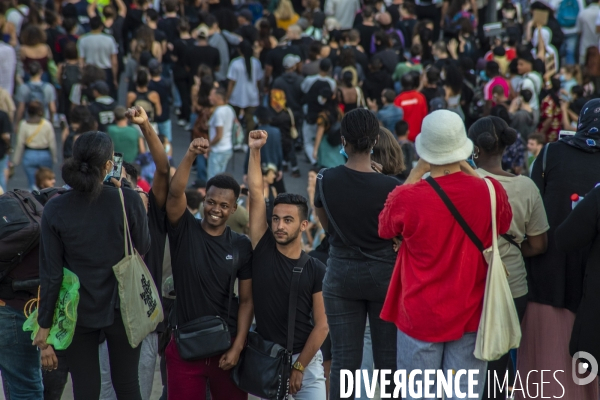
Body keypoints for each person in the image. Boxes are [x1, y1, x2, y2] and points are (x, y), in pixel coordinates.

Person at [379, 110, 513, 400]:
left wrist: (416, 171)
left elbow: (385, 226)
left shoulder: (409, 197)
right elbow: (501, 225)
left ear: (425, 150)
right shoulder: (490, 192)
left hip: (420, 312)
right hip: (471, 311)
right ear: (462, 147)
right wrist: (468, 168)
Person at [34, 131, 151, 400]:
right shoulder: (128, 200)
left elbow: (51, 274)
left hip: (78, 311)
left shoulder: (55, 208)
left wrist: (45, 323)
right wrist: (124, 193)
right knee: (127, 384)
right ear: (109, 166)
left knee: (85, 389)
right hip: (121, 307)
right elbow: (143, 246)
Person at [517, 98, 600, 400]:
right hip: (593, 281)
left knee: (546, 368)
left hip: (549, 275)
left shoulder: (552, 153)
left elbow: (532, 211)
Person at [313, 108, 399, 399]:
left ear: (343, 141)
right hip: (384, 275)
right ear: (374, 141)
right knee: (389, 363)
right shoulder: (391, 187)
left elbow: (326, 224)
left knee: (344, 363)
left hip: (340, 274)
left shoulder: (325, 179)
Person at [467, 116, 549, 400]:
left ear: (475, 148)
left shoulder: (463, 183)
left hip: (469, 285)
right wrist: (511, 251)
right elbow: (539, 244)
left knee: (464, 362)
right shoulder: (526, 187)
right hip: (511, 287)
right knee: (498, 367)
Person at [165, 137, 253, 400]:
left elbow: (248, 301)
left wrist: (238, 348)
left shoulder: (241, 245)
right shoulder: (185, 229)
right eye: (212, 202)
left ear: (234, 209)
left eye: (224, 205)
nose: (216, 209)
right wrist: (191, 153)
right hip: (184, 348)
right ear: (204, 199)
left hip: (226, 350)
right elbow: (174, 193)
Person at [247, 129, 328, 399]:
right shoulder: (263, 248)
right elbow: (256, 194)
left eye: (288, 220)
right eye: (276, 219)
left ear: (304, 225)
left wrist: (299, 366)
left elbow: (323, 325)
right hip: (266, 359)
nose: (280, 226)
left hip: (306, 363)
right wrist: (255, 150)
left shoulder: (315, 268)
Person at [13, 101, 57, 190]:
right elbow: (52, 143)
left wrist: (15, 160)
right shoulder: (47, 124)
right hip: (45, 153)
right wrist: (54, 157)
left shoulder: (24, 124)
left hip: (29, 154)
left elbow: (20, 144)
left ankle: (33, 201)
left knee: (32, 183)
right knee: (46, 181)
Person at [227, 40, 263, 139]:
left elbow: (231, 82)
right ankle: (248, 140)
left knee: (234, 118)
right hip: (252, 94)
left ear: (239, 50)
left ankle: (234, 138)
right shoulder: (256, 63)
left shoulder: (235, 63)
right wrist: (259, 93)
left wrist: (227, 96)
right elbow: (258, 81)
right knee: (250, 120)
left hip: (236, 94)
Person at [77, 16, 119, 97]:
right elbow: (114, 61)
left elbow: (81, 61)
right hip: (106, 72)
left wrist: (82, 76)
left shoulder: (82, 40)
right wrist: (114, 78)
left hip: (90, 72)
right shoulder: (109, 39)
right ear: (101, 26)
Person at [312, 87, 345, 168]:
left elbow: (319, 133)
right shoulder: (338, 111)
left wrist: (315, 150)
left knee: (326, 166)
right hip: (336, 140)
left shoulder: (323, 115)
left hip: (325, 142)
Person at [207, 87, 235, 179]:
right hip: (227, 148)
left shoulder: (219, 112)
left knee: (212, 180)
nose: (209, 97)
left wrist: (209, 145)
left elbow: (219, 135)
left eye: (211, 95)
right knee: (220, 179)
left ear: (218, 97)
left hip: (218, 150)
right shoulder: (229, 109)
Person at [394, 73, 428, 142]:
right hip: (419, 135)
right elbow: (425, 115)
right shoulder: (420, 97)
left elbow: (397, 118)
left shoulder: (398, 100)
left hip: (404, 137)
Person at [147, 59, 173, 141]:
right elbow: (170, 98)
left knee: (151, 142)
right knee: (166, 141)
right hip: (165, 116)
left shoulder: (148, 85)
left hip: (151, 118)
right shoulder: (167, 82)